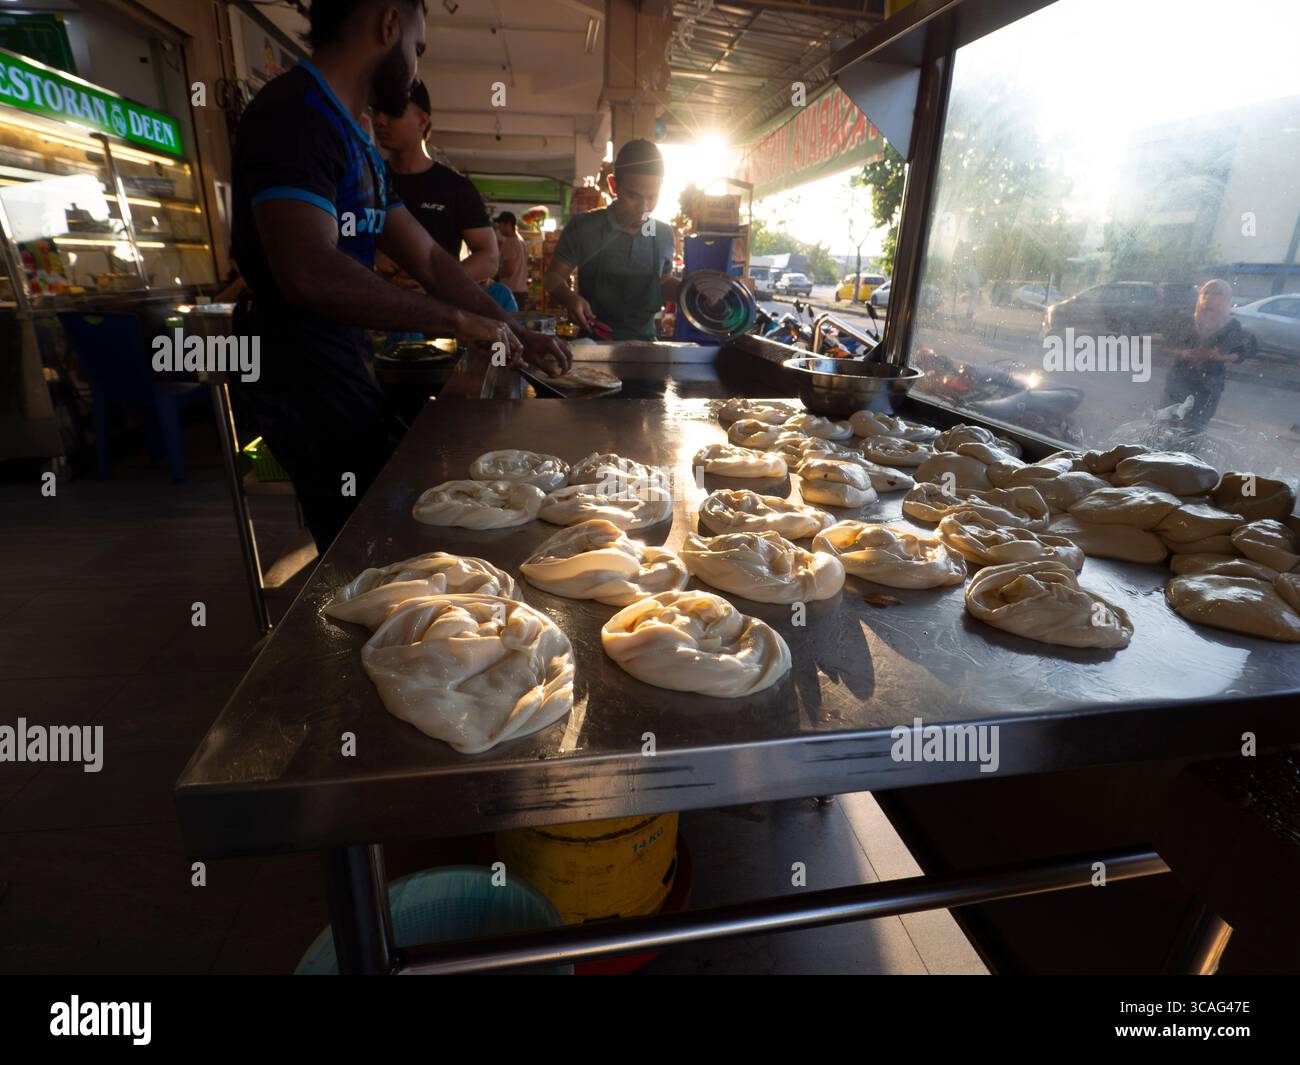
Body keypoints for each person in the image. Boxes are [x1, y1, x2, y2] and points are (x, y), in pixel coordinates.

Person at [229, 0, 570, 550]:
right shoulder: (294, 115)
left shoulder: (357, 137)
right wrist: (457, 320)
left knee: (383, 513)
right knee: (361, 538)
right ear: (389, 23)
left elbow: (431, 260)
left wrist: (511, 325)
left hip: (340, 353)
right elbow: (307, 270)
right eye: (417, 47)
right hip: (295, 366)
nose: (414, 65)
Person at [545, 139, 679, 341]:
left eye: (652, 197)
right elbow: (553, 277)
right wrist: (569, 298)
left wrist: (691, 291)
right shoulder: (583, 228)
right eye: (633, 196)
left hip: (646, 343)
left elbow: (663, 281)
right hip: (592, 342)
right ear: (614, 185)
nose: (644, 208)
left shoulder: (663, 234)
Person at [372, 80, 498, 282]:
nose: (379, 120)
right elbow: (343, 230)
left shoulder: (454, 188)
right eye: (376, 111)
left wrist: (440, 282)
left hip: (436, 310)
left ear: (422, 122)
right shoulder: (367, 179)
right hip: (372, 307)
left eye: (392, 112)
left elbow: (489, 258)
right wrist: (372, 254)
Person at [1162, 279, 1256, 432]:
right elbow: (1165, 347)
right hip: (1179, 380)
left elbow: (1241, 354)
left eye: (1217, 294)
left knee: (1195, 429)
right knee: (1168, 426)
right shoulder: (1186, 320)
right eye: (1206, 293)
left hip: (1208, 386)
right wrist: (1183, 353)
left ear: (1226, 299)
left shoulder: (1231, 325)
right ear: (1200, 296)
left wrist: (1219, 357)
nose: (1209, 298)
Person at [495, 211, 529, 308]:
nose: (499, 228)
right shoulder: (521, 241)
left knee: (508, 321)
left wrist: (494, 273)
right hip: (521, 290)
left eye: (500, 225)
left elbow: (509, 269)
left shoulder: (509, 243)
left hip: (510, 291)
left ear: (508, 224)